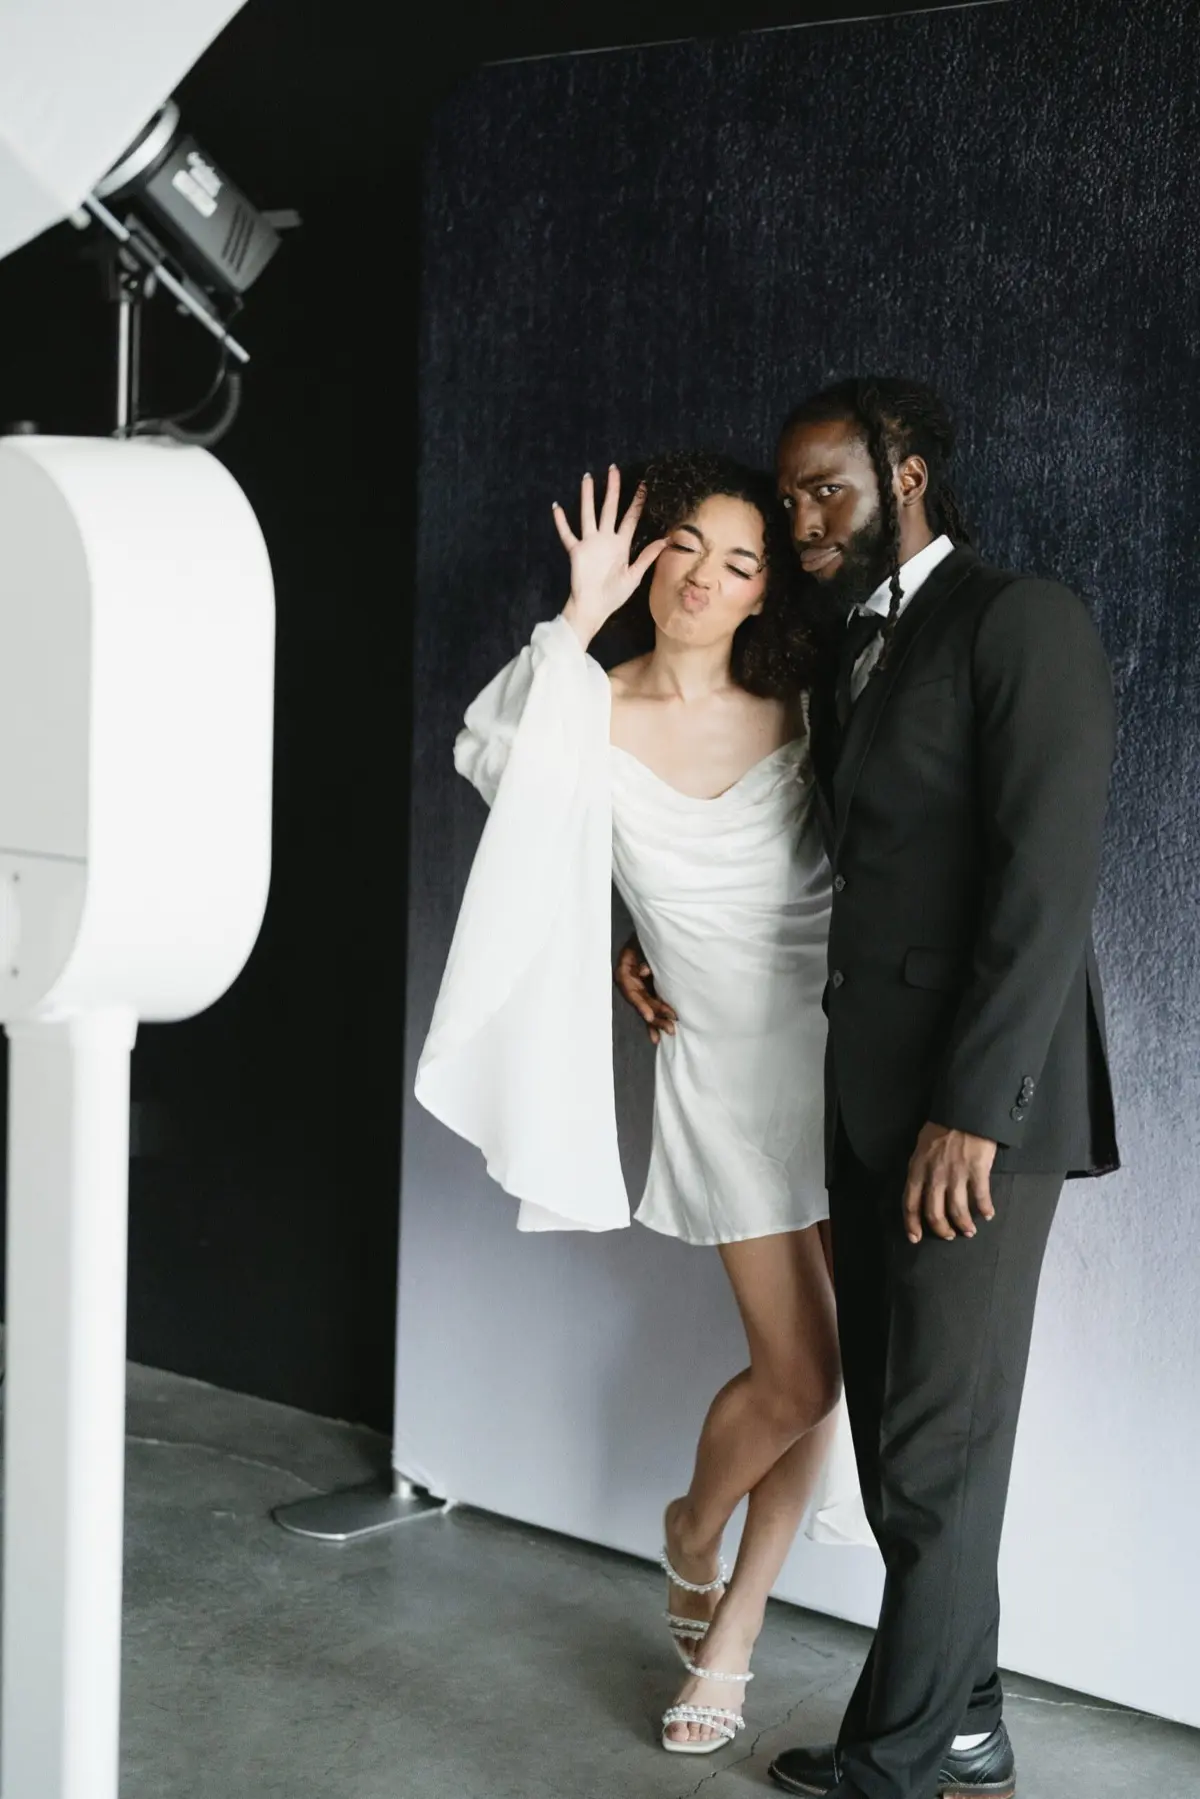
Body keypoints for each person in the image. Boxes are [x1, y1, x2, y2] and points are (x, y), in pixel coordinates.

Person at [636, 377, 1116, 1799]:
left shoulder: (1017, 620)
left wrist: (975, 1111)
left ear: (905, 474)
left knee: (936, 1444)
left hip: (979, 1116)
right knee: (915, 1441)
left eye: (826, 489)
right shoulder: (846, 646)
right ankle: (966, 1721)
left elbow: (1045, 885)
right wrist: (636, 938)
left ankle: (895, 1764)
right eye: (789, 498)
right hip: (865, 1101)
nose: (803, 520)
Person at [415, 452, 870, 1757]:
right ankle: (689, 1525)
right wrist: (576, 616)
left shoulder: (802, 707)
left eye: (741, 561)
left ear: (764, 591)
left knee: (838, 1377)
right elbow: (493, 758)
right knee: (799, 1370)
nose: (705, 578)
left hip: (845, 1057)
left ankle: (733, 1631)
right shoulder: (588, 709)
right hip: (721, 1074)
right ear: (651, 558)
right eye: (685, 547)